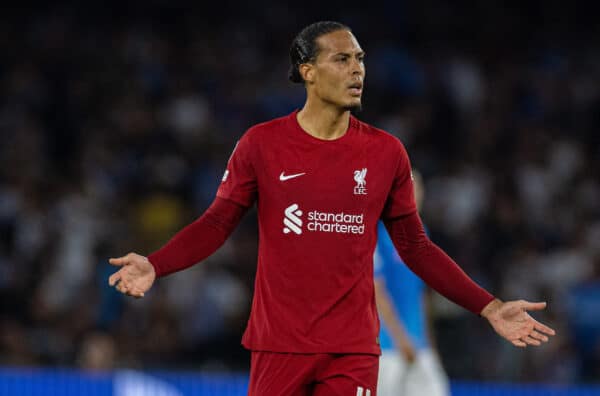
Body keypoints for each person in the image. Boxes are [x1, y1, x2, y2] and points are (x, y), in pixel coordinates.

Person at [108, 21, 555, 395]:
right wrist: (157, 265)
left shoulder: (386, 153)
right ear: (308, 71)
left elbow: (416, 248)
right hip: (279, 345)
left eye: (360, 59)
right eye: (342, 59)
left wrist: (489, 307)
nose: (357, 69)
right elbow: (217, 222)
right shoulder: (261, 144)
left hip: (353, 349)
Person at [374, 169, 449, 396]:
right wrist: (400, 339)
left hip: (419, 347)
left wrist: (429, 343)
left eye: (419, 188)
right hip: (387, 347)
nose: (416, 194)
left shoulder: (422, 235)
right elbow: (375, 291)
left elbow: (420, 294)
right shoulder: (377, 233)